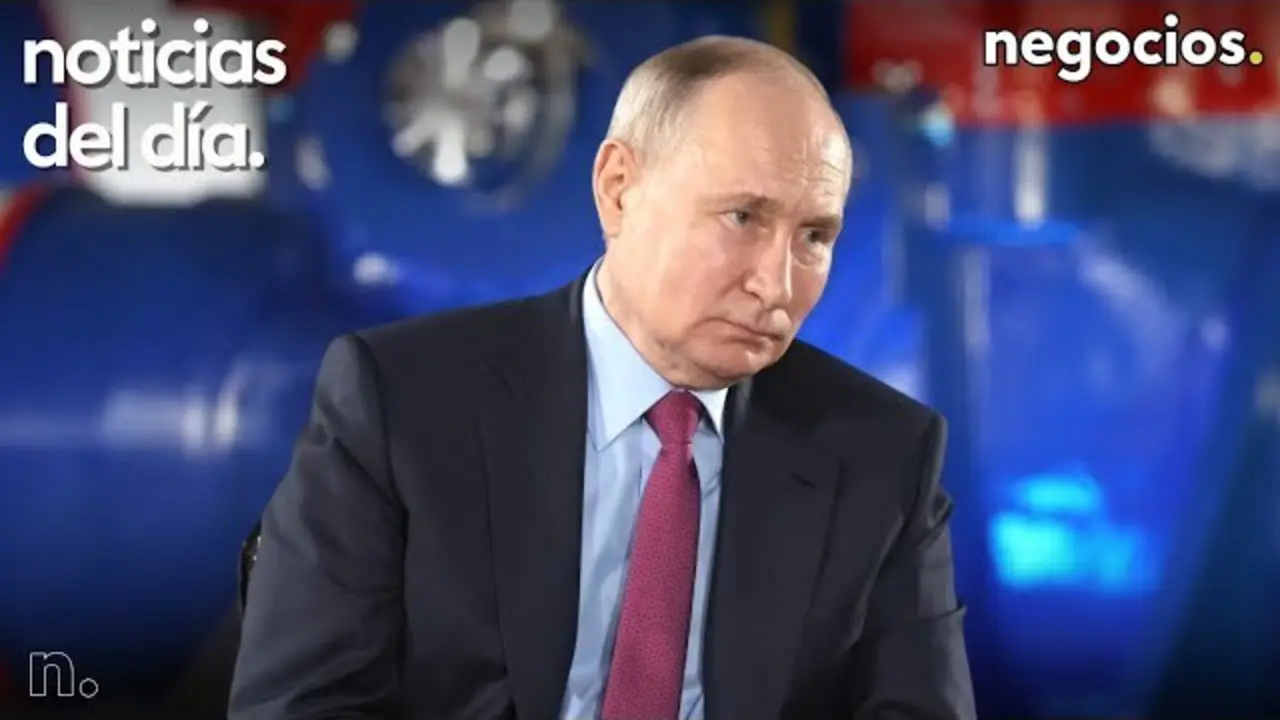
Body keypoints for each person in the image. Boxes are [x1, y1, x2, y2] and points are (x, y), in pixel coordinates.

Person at [229, 35, 975, 720]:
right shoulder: (400, 403)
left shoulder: (885, 454)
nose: (776, 284)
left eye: (814, 236)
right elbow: (299, 706)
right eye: (743, 217)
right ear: (619, 188)